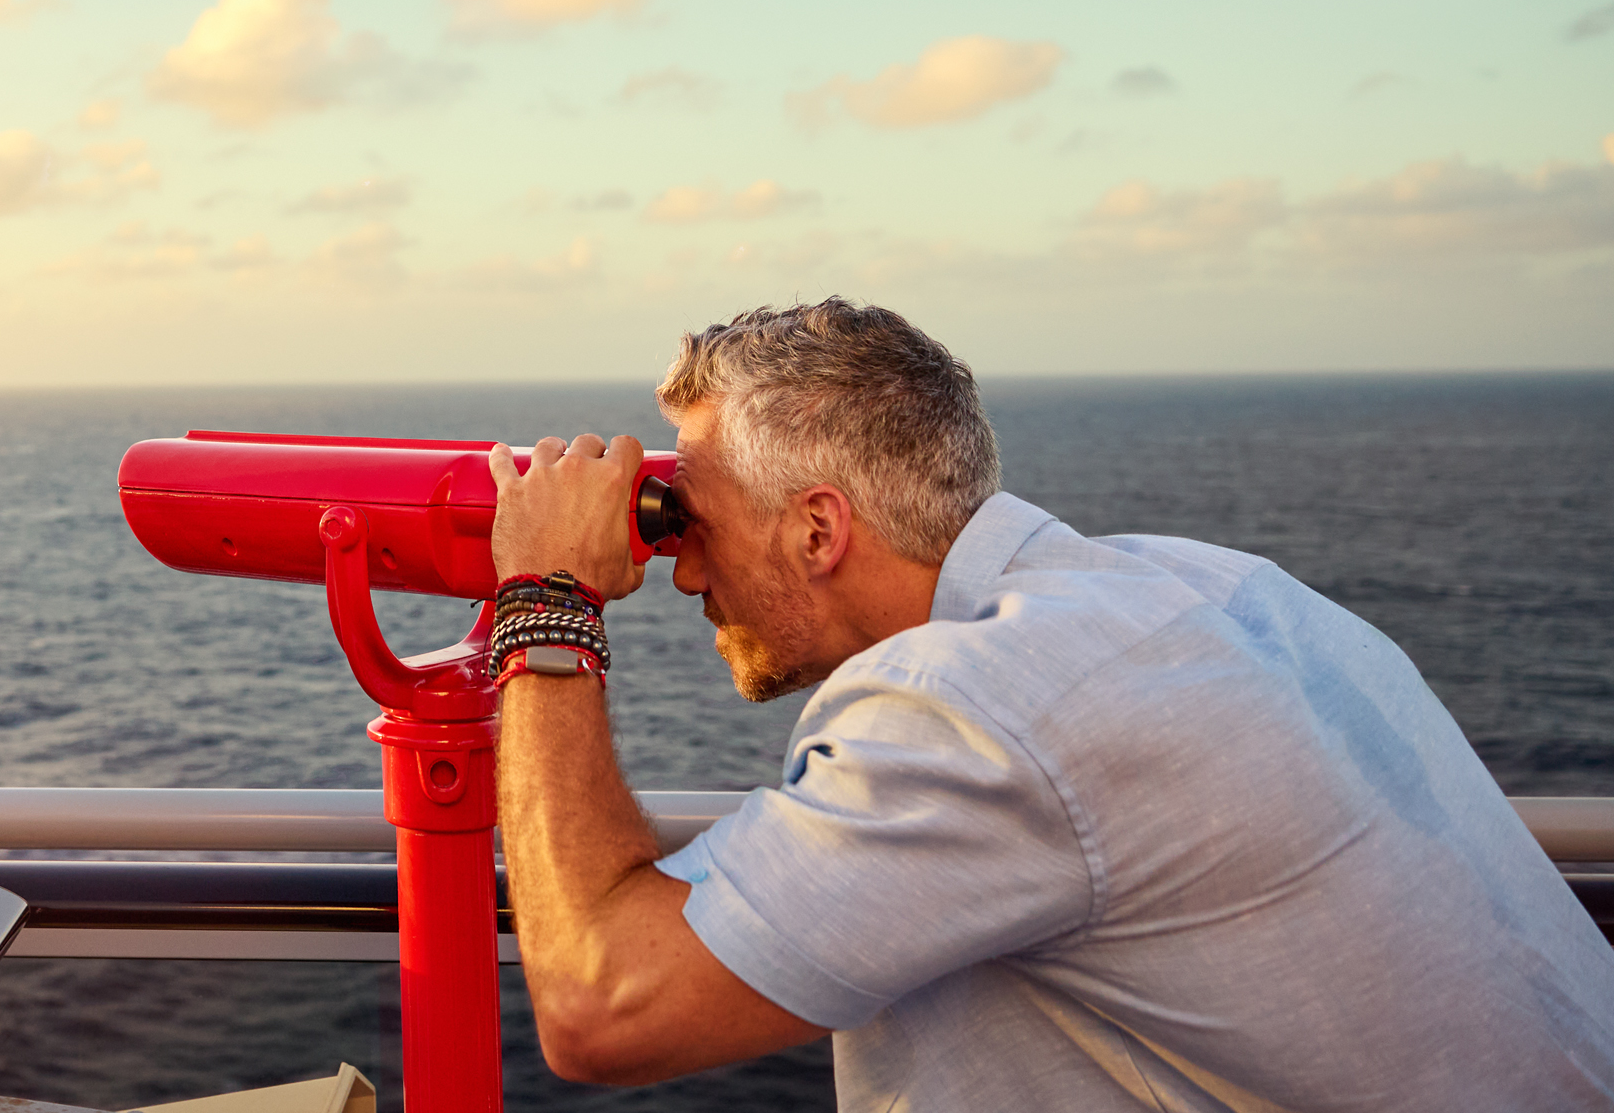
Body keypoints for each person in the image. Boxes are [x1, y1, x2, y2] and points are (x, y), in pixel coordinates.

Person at [487, 297, 1614, 1109]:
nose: (683, 572)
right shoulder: (1212, 584)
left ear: (820, 530)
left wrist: (549, 595)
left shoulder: (979, 703)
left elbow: (601, 1004)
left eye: (695, 525)